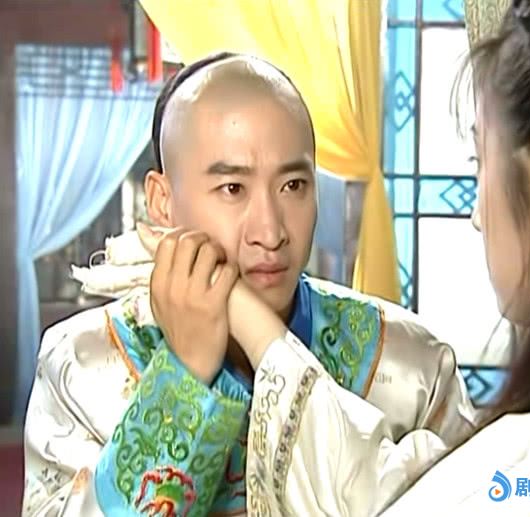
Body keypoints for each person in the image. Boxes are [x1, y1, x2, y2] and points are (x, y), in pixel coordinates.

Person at [222, 1, 530, 515]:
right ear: (163, 198)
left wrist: (254, 329)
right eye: (232, 187)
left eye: (481, 161)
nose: (478, 216)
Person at [22, 52, 475, 516]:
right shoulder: (83, 364)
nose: (271, 231)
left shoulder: (410, 364)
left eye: (293, 185)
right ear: (162, 201)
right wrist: (184, 377)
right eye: (233, 189)